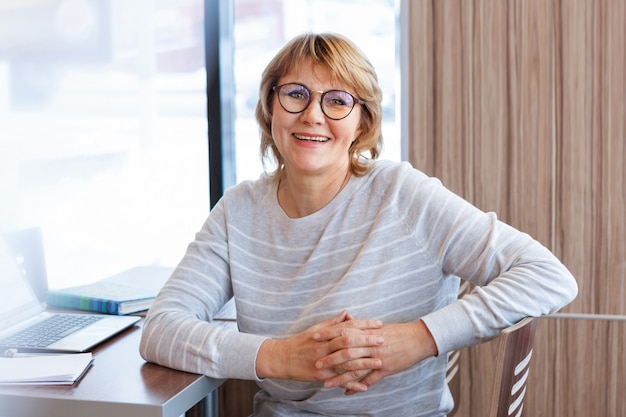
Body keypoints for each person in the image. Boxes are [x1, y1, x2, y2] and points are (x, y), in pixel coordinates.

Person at [139, 32, 577, 416]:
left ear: (362, 122)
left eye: (337, 101)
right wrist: (282, 356)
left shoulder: (402, 195)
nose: (312, 115)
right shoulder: (238, 212)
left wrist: (419, 338)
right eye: (295, 94)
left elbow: (548, 276)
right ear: (270, 108)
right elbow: (161, 329)